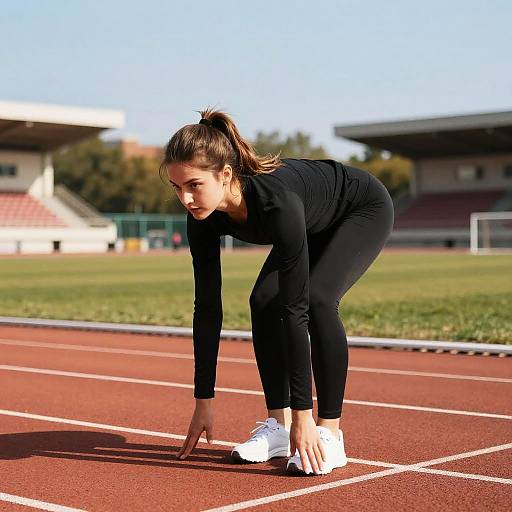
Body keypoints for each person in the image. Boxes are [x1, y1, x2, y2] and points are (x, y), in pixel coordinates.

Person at [159, 108, 394, 476]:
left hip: (359, 208)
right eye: (177, 188)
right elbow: (206, 308)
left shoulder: (275, 201)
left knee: (315, 300)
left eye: (194, 185)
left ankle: (330, 434)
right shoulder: (201, 219)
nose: (185, 199)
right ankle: (279, 427)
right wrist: (203, 399)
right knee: (263, 301)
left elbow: (296, 308)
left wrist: (307, 415)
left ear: (225, 174)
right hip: (312, 220)